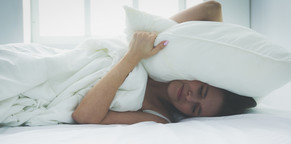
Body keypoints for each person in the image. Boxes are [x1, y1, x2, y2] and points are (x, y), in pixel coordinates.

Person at [72, 1, 256, 124]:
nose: (190, 97)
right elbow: (211, 8)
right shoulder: (165, 53)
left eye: (195, 108)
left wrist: (132, 57)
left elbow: (84, 116)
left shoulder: (158, 116)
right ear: (203, 77)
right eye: (201, 90)